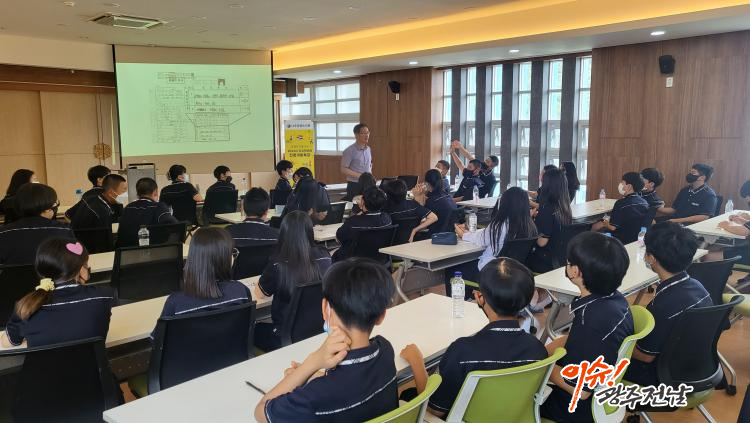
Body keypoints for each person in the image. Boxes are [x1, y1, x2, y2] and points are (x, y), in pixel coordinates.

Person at [254, 257, 397, 423]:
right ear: (381, 316)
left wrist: (312, 362)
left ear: (325, 308)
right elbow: (352, 380)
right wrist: (310, 376)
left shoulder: (315, 399)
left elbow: (261, 412)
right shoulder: (385, 350)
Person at [401, 257, 548, 418]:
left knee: (407, 395)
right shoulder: (537, 349)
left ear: (479, 297)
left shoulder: (462, 351)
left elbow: (434, 409)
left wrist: (417, 362)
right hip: (512, 417)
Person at [541, 232, 634, 423]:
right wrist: (541, 352)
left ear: (575, 271)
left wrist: (541, 366)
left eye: (568, 262)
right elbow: (574, 339)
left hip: (578, 408)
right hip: (603, 392)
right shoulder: (615, 299)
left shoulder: (592, 321)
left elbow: (581, 390)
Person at [625, 222, 712, 387]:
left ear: (651, 258)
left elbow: (645, 356)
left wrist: (617, 343)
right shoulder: (699, 287)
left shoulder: (663, 305)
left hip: (664, 376)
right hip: (696, 367)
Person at [1, 238, 114, 348]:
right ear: (80, 270)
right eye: (86, 264)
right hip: (91, 361)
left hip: (42, 361)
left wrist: (33, 342)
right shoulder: (104, 296)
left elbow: (6, 343)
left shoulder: (26, 307)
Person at [254, 211, 332, 351]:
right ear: (310, 231)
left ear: (283, 233)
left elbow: (260, 294)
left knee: (254, 329)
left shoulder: (278, 262)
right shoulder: (325, 256)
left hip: (284, 336)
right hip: (318, 331)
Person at [445, 187, 538, 296]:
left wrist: (463, 234)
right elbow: (486, 234)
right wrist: (469, 233)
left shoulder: (499, 225)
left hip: (491, 272)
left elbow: (481, 239)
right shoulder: (530, 226)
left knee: (451, 270)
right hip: (512, 273)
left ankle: (461, 301)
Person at [153, 227, 250, 323]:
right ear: (224, 258)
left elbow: (160, 333)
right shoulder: (241, 291)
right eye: (232, 252)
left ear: (193, 257)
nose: (234, 256)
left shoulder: (175, 303)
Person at [0, 183, 74, 265]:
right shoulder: (64, 230)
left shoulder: (3, 233)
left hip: (13, 274)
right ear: (47, 208)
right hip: (53, 273)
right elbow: (73, 261)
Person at [526, 168, 572, 274]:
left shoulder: (547, 209)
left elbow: (541, 242)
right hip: (561, 258)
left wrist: (530, 220)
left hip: (545, 261)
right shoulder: (565, 208)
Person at [332, 187, 392, 262]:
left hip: (353, 263)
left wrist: (361, 209)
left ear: (362, 201)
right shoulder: (387, 219)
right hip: (379, 260)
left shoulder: (353, 222)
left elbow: (338, 239)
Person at [115, 177, 178, 248]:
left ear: (137, 193)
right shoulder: (159, 207)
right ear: (155, 192)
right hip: (153, 251)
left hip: (126, 252)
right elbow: (176, 226)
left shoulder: (128, 208)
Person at [591, 172, 649, 244]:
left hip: (620, 239)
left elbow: (613, 227)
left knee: (595, 226)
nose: (620, 185)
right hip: (636, 238)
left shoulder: (621, 203)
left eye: (622, 183)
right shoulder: (644, 202)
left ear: (629, 186)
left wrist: (603, 222)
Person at [412, 169, 457, 235]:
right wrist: (422, 195)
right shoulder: (447, 195)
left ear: (426, 183)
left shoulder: (432, 201)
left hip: (434, 236)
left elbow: (421, 225)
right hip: (449, 234)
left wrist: (417, 197)